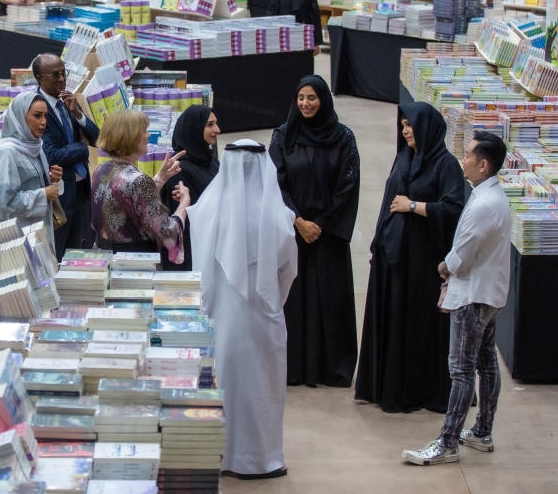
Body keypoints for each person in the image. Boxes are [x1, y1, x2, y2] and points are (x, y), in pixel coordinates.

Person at [189, 140, 297, 480]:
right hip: (262, 314)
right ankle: (261, 459)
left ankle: (220, 455)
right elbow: (288, 268)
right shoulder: (279, 215)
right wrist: (275, 299)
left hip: (220, 317)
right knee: (261, 387)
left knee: (224, 382)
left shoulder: (206, 210)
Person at [404, 131, 511, 465]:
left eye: (467, 155)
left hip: (473, 298)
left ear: (483, 164)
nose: (462, 160)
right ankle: (482, 431)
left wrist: (443, 269)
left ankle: (447, 442)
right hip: (488, 294)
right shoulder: (492, 197)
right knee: (486, 363)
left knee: (462, 371)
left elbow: (462, 253)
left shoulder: (484, 205)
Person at [356, 102, 467, 413]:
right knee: (394, 317)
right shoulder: (404, 157)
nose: (405, 131)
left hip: (422, 260)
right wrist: (378, 243)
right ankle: (387, 385)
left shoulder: (445, 165)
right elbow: (388, 202)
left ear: (427, 128)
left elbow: (454, 209)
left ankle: (415, 389)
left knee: (416, 322)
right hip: (393, 256)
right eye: (403, 125)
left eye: (411, 125)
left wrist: (414, 206)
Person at [268, 75, 360, 387]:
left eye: (312, 98)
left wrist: (319, 223)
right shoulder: (283, 136)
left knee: (329, 300)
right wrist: (298, 220)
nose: (305, 104)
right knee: (293, 299)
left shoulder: (343, 137)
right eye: (301, 97)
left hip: (328, 234)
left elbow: (347, 184)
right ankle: (294, 368)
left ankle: (331, 368)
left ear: (324, 99)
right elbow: (274, 182)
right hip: (292, 232)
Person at [91, 109, 189, 265]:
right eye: (144, 131)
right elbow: (167, 232)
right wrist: (184, 204)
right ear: (130, 136)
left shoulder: (100, 170)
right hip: (133, 264)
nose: (148, 135)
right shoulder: (138, 180)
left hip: (103, 259)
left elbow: (130, 201)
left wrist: (161, 177)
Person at [33, 53, 101, 259]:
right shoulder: (37, 109)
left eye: (64, 73)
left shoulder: (68, 101)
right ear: (40, 79)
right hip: (60, 194)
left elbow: (98, 139)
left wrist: (78, 114)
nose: (62, 79)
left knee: (77, 253)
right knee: (58, 253)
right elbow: (51, 155)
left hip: (81, 188)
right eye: (55, 75)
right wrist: (82, 147)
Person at [0, 91, 64, 254]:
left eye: (45, 116)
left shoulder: (35, 147)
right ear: (19, 118)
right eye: (37, 116)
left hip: (38, 232)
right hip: (17, 239)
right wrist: (43, 193)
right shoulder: (8, 152)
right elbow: (5, 201)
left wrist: (53, 179)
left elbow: (35, 184)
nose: (43, 122)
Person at [161, 105, 220, 271]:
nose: (217, 129)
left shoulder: (210, 160)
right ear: (194, 128)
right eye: (209, 125)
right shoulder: (179, 170)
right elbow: (181, 222)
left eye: (215, 123)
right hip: (196, 254)